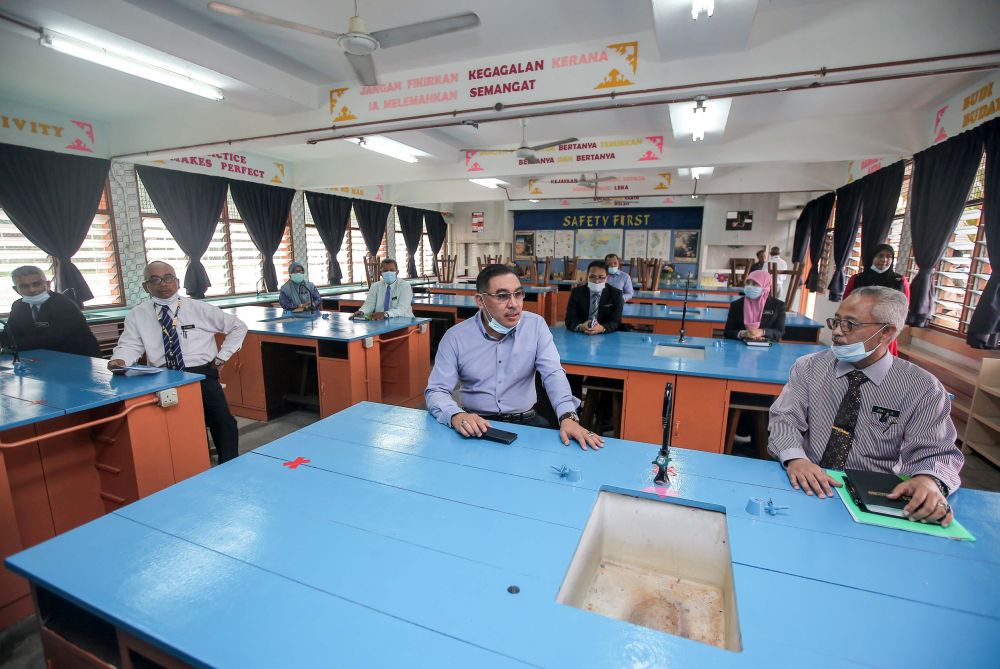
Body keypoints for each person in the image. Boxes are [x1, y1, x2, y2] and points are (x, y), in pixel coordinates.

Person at [768, 286, 963, 526]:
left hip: (878, 495)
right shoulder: (809, 367)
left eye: (850, 324)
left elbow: (936, 451)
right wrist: (796, 459)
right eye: (836, 322)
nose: (837, 332)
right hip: (810, 482)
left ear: (886, 332)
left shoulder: (922, 388)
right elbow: (784, 420)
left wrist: (928, 480)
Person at [425, 264, 603, 450]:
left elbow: (553, 374)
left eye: (518, 294)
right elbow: (436, 390)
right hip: (476, 424)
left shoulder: (535, 326)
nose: (514, 304)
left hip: (526, 421)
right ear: (480, 300)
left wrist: (568, 416)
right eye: (502, 296)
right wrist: (456, 415)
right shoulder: (456, 337)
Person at [109, 261, 248, 464]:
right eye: (155, 279)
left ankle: (230, 466)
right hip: (162, 377)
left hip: (201, 373)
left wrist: (221, 358)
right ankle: (186, 466)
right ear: (146, 286)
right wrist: (120, 359)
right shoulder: (137, 315)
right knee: (175, 425)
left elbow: (238, 326)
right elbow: (130, 345)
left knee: (222, 421)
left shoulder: (199, 308)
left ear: (177, 282)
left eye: (168, 278)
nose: (163, 284)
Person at [2, 266, 100, 358]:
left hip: (76, 357)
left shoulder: (63, 304)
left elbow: (51, 339)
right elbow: (9, 333)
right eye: (24, 286)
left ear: (48, 284)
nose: (32, 290)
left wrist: (11, 344)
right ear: (16, 289)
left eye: (36, 284)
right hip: (40, 357)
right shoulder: (18, 306)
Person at [843, 244, 910, 356]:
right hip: (860, 326)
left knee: (882, 362)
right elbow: (846, 304)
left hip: (885, 329)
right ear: (872, 257)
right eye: (880, 256)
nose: (884, 260)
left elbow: (904, 308)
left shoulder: (899, 281)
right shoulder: (858, 279)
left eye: (889, 257)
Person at [723, 269, 786, 341]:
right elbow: (728, 332)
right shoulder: (736, 305)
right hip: (740, 347)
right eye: (748, 283)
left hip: (768, 347)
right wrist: (742, 333)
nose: (750, 286)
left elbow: (780, 331)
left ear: (765, 286)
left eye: (754, 284)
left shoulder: (778, 306)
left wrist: (762, 332)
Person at [565, 260, 624, 335]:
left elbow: (616, 321)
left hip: (605, 335)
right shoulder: (577, 292)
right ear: (587, 276)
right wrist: (580, 326)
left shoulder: (616, 294)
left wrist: (602, 328)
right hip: (581, 333)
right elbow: (570, 318)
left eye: (601, 277)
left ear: (607, 278)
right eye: (592, 277)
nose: (596, 281)